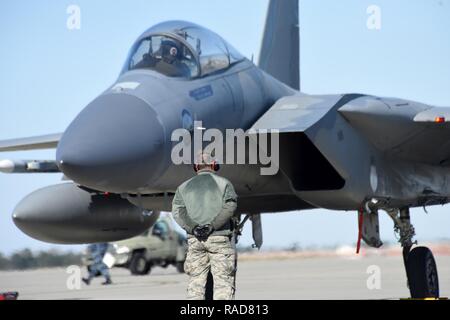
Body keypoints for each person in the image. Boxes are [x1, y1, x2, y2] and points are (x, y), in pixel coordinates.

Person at [172, 152, 238, 300]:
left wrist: (193, 228)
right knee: (223, 284)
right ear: (214, 165)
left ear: (196, 167)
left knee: (195, 285)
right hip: (219, 239)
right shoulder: (224, 184)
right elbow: (230, 206)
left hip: (195, 241)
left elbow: (177, 211)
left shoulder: (183, 187)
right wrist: (212, 226)